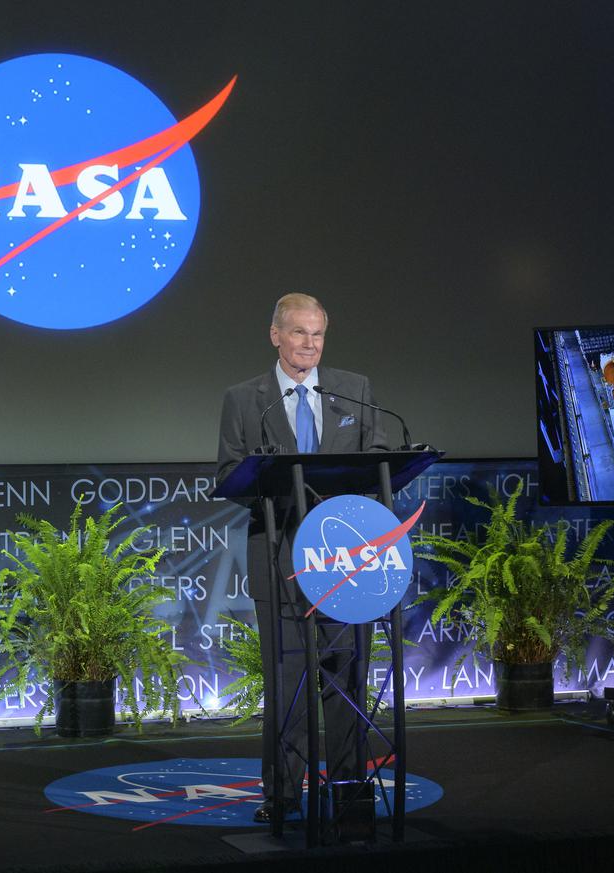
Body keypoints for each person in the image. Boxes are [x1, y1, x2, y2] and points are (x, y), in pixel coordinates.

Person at [217, 292, 391, 824]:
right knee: (288, 679)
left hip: (345, 557)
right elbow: (227, 474)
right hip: (278, 552)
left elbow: (379, 459)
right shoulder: (246, 399)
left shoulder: (354, 391)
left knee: (346, 674)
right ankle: (284, 795)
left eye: (317, 335)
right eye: (298, 333)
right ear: (275, 335)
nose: (309, 345)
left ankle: (347, 787)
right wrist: (270, 483)